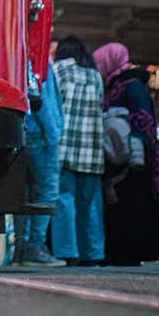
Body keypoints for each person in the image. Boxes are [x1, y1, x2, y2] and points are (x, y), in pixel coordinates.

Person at [93, 42, 159, 266]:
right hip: (121, 164)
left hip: (134, 166)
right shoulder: (117, 86)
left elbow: (143, 122)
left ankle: (128, 256)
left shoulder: (131, 86)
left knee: (131, 213)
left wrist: (135, 153)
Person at [51, 36, 105, 265]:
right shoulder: (95, 76)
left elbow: (53, 106)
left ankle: (67, 252)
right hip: (92, 151)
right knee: (90, 205)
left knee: (64, 202)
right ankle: (92, 254)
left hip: (64, 148)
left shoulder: (60, 71)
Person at [12, 50, 65, 267]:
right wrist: (53, 133)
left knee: (21, 193)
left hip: (22, 130)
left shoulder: (20, 51)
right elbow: (44, 97)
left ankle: (21, 248)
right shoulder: (37, 54)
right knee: (45, 191)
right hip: (41, 132)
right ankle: (35, 246)